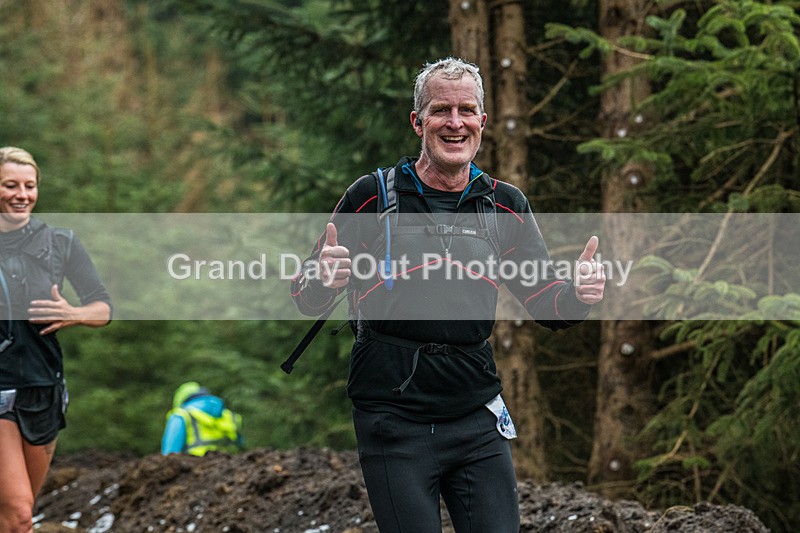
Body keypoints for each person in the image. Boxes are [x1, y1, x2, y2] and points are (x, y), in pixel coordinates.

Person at [290, 57, 606, 532]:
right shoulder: (372, 197)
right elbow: (304, 296)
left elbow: (547, 301)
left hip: (475, 414)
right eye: (440, 110)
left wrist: (580, 294)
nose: (455, 122)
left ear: (483, 121)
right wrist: (324, 279)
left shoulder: (505, 204)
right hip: (392, 417)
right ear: (418, 122)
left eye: (466, 110)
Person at [0, 146, 112, 533]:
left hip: (44, 386)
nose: (21, 194)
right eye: (10, 185)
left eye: (29, 186)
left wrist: (74, 313)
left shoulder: (60, 243)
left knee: (13, 517)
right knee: (19, 515)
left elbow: (103, 306)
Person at [161, 381, 244, 456]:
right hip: (229, 463)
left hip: (195, 464)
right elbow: (240, 445)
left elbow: (170, 452)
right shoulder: (229, 415)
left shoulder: (181, 415)